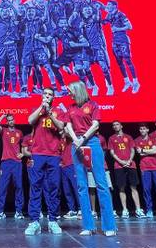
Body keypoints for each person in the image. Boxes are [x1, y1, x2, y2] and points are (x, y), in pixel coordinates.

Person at [64, 81, 117, 237]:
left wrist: (84, 138)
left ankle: (109, 226)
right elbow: (68, 126)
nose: (68, 93)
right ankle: (88, 225)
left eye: (70, 91)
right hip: (77, 145)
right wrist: (75, 140)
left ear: (77, 90)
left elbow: (95, 125)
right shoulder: (71, 108)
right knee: (81, 186)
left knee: (101, 184)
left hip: (92, 143)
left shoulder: (93, 105)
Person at [25, 87, 64, 234]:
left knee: (53, 187)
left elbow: (61, 126)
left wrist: (50, 114)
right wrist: (42, 108)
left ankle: (53, 220)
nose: (47, 96)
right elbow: (30, 120)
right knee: (35, 186)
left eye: (50, 95)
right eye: (45, 94)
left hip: (53, 154)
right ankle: (34, 221)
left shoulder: (58, 111)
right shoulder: (37, 109)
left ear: (53, 97)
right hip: (38, 154)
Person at [108, 121, 145, 219]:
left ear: (121, 126)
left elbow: (132, 150)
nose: (115, 126)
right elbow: (112, 152)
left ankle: (138, 209)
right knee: (121, 188)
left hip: (130, 165)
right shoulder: (112, 138)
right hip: (119, 166)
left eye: (117, 124)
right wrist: (121, 161)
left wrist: (129, 160)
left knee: (133, 187)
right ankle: (125, 210)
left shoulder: (128, 137)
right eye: (114, 125)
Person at [102, 0, 140, 94]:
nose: (107, 6)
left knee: (127, 60)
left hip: (123, 40)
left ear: (114, 6)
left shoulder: (121, 14)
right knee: (119, 62)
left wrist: (118, 29)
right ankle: (127, 82)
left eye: (109, 5)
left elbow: (130, 26)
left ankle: (136, 82)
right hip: (115, 41)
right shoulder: (109, 15)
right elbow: (104, 22)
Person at [0, 113, 25, 219]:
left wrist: (23, 154)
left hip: (17, 163)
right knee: (2, 187)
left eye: (12, 119)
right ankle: (0, 212)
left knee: (19, 187)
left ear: (14, 120)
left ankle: (19, 211)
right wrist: (2, 116)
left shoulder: (19, 132)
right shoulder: (4, 131)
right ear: (7, 122)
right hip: (5, 163)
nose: (11, 121)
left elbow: (24, 146)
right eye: (9, 120)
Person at [135, 123, 156, 218]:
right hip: (145, 168)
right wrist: (148, 151)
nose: (142, 130)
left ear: (147, 130)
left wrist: (143, 150)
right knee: (146, 190)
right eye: (140, 129)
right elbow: (139, 154)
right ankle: (149, 210)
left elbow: (154, 151)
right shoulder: (137, 140)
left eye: (144, 129)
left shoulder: (153, 138)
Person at [59, 132, 79, 219]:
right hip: (63, 166)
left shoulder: (70, 139)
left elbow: (69, 133)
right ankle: (72, 210)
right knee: (67, 189)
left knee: (76, 188)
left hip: (72, 165)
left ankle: (81, 209)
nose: (60, 132)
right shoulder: (58, 140)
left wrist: (64, 130)